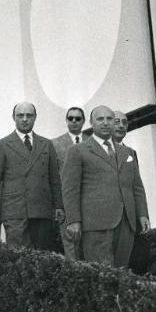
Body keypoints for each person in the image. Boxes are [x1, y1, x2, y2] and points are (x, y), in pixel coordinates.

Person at [63, 105, 150, 267]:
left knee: (122, 271)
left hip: (126, 221)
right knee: (100, 274)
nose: (105, 123)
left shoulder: (128, 153)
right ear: (91, 122)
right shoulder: (77, 151)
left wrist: (143, 214)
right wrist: (73, 220)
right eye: (100, 119)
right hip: (96, 223)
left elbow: (137, 186)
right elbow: (70, 189)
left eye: (110, 119)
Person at [0, 102, 64, 249]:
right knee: (18, 256)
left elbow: (54, 178)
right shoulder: (2, 144)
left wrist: (58, 205)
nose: (25, 119)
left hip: (41, 209)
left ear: (35, 118)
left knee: (41, 256)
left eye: (29, 115)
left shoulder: (46, 144)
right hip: (15, 209)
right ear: (13, 118)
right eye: (20, 115)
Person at [52, 106, 89, 260]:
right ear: (66, 121)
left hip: (90, 200)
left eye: (78, 118)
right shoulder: (55, 144)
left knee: (90, 244)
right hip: (67, 202)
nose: (74, 121)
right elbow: (53, 176)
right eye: (70, 118)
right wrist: (57, 205)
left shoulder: (92, 141)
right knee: (70, 245)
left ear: (84, 121)